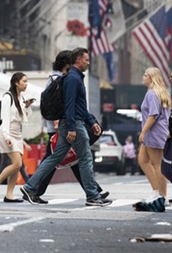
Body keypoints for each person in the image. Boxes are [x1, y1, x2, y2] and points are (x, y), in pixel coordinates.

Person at [19, 48, 111, 207]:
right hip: (73, 123)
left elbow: (79, 105)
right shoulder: (73, 79)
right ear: (77, 60)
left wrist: (91, 122)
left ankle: (30, 187)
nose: (88, 63)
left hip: (71, 123)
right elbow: (70, 105)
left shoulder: (74, 78)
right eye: (86, 60)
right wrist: (72, 128)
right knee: (85, 158)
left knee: (54, 158)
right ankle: (92, 196)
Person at [0, 72, 33, 202]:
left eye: (27, 81)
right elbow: (5, 119)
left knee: (17, 166)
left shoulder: (20, 98)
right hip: (7, 131)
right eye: (24, 81)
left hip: (17, 133)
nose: (26, 84)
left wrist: (26, 106)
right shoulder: (7, 97)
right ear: (16, 83)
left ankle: (9, 194)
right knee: (17, 163)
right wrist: (7, 136)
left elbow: (24, 118)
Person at [134, 68, 172, 212]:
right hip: (155, 132)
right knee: (143, 160)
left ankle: (162, 196)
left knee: (157, 164)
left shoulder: (152, 93)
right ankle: (156, 191)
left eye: (145, 75)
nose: (143, 77)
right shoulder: (159, 92)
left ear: (152, 77)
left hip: (154, 132)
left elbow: (153, 115)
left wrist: (143, 132)